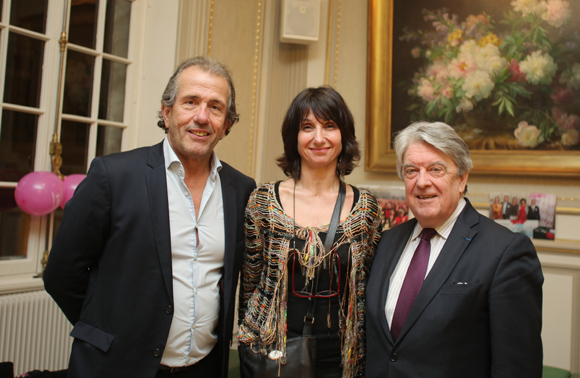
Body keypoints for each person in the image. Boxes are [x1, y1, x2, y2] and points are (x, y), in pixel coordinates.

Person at [43, 56, 256, 378]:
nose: (202, 116)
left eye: (215, 107)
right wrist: (106, 332)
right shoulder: (113, 176)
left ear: (227, 123)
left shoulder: (241, 189)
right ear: (167, 112)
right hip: (118, 367)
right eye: (190, 102)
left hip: (204, 368)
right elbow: (62, 274)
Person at [365, 121, 543, 378]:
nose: (422, 182)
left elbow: (517, 368)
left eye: (436, 169)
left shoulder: (505, 252)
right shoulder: (386, 242)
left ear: (462, 178)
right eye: (411, 171)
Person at [237, 86, 383, 378]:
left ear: (344, 136)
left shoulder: (366, 209)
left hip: (342, 356)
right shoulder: (263, 201)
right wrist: (250, 340)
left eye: (329, 126)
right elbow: (250, 283)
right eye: (307, 127)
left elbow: (368, 290)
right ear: (295, 137)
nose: (319, 137)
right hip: (273, 352)